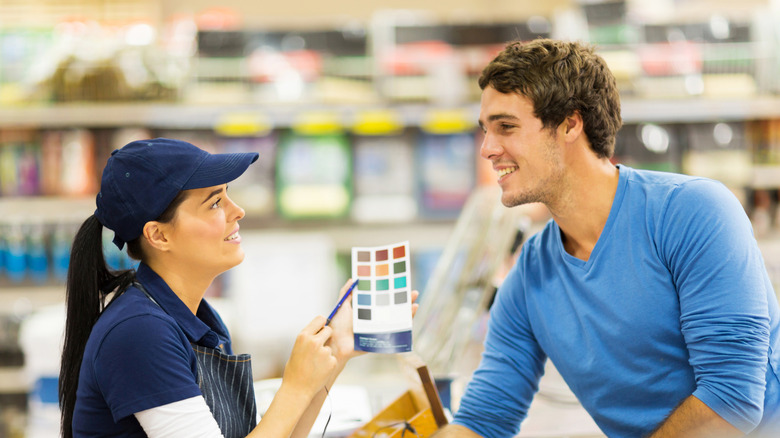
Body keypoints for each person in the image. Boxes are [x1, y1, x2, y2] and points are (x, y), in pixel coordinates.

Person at [434, 39, 780, 437]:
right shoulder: (530, 276)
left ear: (570, 124)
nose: (487, 150)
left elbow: (731, 399)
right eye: (485, 131)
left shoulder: (692, 213)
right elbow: (482, 423)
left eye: (506, 127)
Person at [59, 138, 410, 438]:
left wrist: (336, 352)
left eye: (228, 195)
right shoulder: (139, 333)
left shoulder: (196, 318)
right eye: (214, 202)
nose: (237, 211)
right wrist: (295, 385)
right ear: (158, 235)